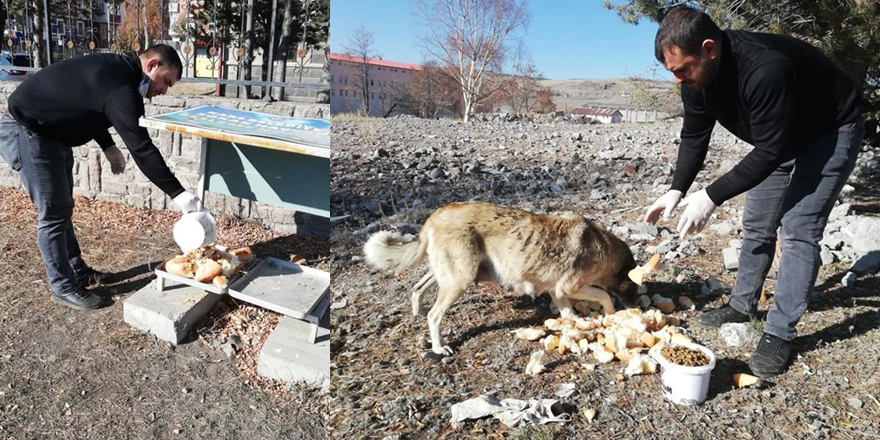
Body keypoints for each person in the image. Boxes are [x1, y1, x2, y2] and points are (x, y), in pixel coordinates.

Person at [644, 7, 863, 377]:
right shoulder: (696, 80)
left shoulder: (764, 68)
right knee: (758, 220)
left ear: (709, 49)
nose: (678, 80)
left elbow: (769, 151)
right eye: (672, 73)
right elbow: (695, 135)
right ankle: (743, 304)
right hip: (778, 138)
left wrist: (710, 196)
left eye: (681, 69)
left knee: (798, 227)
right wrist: (676, 189)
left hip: (830, 129)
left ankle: (779, 332)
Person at [0, 44, 204, 311]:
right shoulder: (121, 86)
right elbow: (142, 149)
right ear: (152, 65)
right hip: (28, 129)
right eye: (166, 81)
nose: (163, 90)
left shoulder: (116, 71)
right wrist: (180, 195)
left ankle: (77, 271)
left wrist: (107, 145)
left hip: (50, 133)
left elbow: (88, 104)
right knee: (53, 213)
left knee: (63, 208)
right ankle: (62, 286)